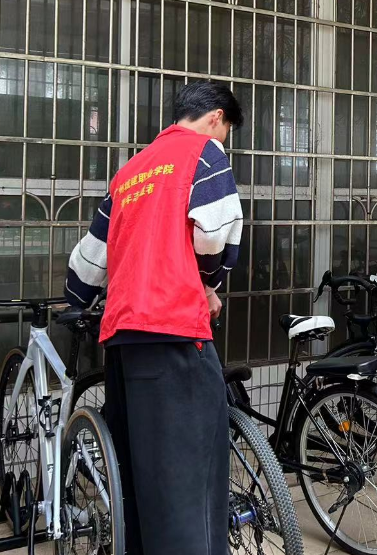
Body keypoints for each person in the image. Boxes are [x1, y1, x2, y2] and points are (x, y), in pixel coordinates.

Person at [64, 81, 244, 555]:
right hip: (175, 332)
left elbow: (89, 260)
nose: (224, 139)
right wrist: (208, 285)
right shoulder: (204, 152)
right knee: (189, 482)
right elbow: (216, 232)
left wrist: (76, 301)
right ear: (216, 118)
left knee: (139, 477)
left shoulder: (130, 170)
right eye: (226, 130)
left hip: (123, 340)